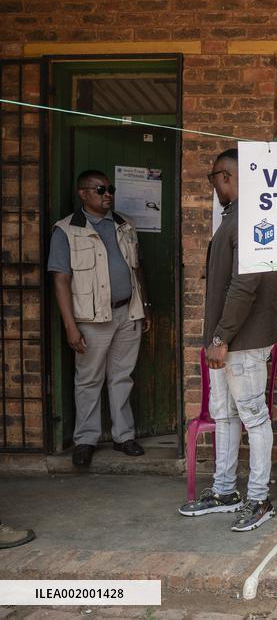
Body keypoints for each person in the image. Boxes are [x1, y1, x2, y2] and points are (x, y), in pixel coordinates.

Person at [178, 148, 277, 532]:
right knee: (223, 414)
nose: (214, 187)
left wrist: (220, 336)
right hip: (225, 340)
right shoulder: (234, 218)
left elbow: (244, 285)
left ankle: (258, 498)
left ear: (226, 177)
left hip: (242, 341)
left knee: (253, 417)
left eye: (213, 179)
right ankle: (224, 490)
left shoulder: (251, 219)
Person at [48, 170, 152, 467]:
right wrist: (70, 326)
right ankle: (85, 440)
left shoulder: (124, 225)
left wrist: (144, 306)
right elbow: (60, 280)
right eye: (100, 189)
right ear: (83, 193)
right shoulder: (66, 230)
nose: (107, 194)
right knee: (88, 379)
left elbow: (137, 269)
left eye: (110, 189)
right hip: (91, 319)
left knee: (122, 377)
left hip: (127, 312)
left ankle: (124, 436)